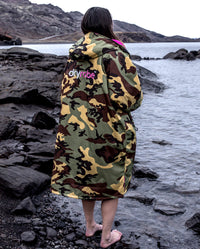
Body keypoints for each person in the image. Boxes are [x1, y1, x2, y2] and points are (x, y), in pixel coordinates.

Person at [51, 7, 143, 248]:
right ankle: (106, 237)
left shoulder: (75, 54)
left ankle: (91, 225)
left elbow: (65, 92)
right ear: (108, 25)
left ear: (85, 25)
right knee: (110, 182)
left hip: (75, 132)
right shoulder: (114, 53)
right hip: (108, 131)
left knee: (85, 176)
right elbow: (129, 97)